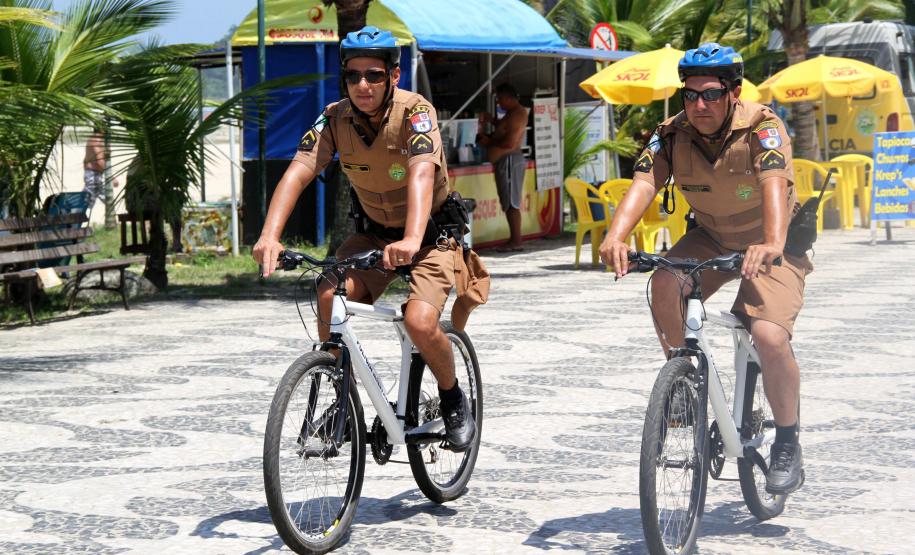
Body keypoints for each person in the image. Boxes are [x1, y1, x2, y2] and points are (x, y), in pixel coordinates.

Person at [252, 26, 484, 452]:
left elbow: (420, 172)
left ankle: (453, 399)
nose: (363, 85)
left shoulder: (416, 113)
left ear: (393, 76)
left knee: (418, 321)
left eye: (374, 75)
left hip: (430, 238)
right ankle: (343, 402)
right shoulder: (333, 117)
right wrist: (269, 236)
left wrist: (413, 237)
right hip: (374, 238)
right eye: (354, 75)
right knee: (327, 293)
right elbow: (298, 171)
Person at [599, 43, 810, 495]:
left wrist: (771, 242)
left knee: (769, 336)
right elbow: (644, 181)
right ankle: (683, 385)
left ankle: (788, 442)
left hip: (773, 242)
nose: (699, 105)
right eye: (690, 95)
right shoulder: (670, 133)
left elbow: (775, 182)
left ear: (734, 92)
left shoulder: (763, 126)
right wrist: (615, 236)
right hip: (712, 236)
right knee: (663, 283)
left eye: (711, 94)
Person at [476, 83, 528, 251]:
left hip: (509, 160)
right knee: (507, 200)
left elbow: (509, 142)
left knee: (512, 202)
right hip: (505, 161)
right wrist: (493, 122)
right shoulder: (511, 114)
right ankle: (514, 239)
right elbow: (504, 131)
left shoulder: (516, 114)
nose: (498, 103)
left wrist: (489, 141)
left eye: (499, 99)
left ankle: (516, 240)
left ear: (507, 98)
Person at [83, 127, 117, 206]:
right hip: (94, 176)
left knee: (107, 200)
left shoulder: (92, 139)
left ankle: (73, 215)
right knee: (86, 202)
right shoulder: (97, 141)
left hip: (92, 174)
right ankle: (72, 215)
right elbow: (100, 161)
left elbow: (85, 160)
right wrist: (112, 178)